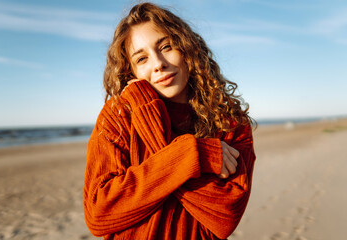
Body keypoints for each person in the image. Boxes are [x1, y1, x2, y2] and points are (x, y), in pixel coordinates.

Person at [84, 2, 256, 240]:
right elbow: (98, 214)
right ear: (130, 71)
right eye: (141, 59)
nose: (158, 64)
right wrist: (193, 154)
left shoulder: (230, 122)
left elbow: (225, 217)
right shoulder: (119, 115)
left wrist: (173, 160)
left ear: (188, 49)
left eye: (166, 46)